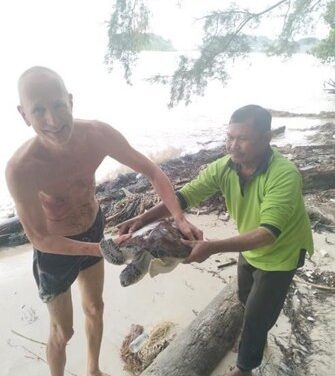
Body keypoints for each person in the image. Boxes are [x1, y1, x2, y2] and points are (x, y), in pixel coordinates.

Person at [5, 66, 202, 376]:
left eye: (58, 105)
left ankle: (93, 369)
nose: (53, 120)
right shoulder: (22, 169)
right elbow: (41, 238)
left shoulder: (97, 135)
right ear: (23, 114)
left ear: (70, 100)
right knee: (63, 332)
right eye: (38, 110)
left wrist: (178, 215)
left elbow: (152, 171)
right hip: (56, 251)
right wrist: (101, 250)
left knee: (95, 308)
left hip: (94, 228)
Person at [118, 104, 314, 375]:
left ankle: (245, 368)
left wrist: (212, 248)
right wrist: (144, 219)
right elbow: (184, 196)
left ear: (266, 138)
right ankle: (253, 338)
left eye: (242, 138)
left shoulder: (284, 175)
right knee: (246, 299)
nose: (233, 146)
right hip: (249, 247)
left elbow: (268, 234)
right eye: (229, 137)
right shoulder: (224, 168)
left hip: (281, 253)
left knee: (258, 316)